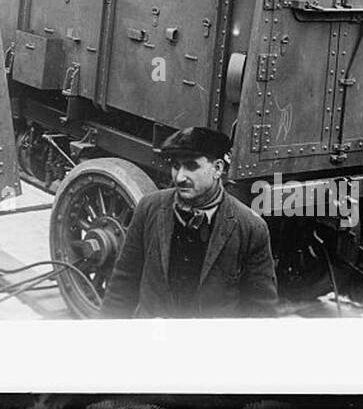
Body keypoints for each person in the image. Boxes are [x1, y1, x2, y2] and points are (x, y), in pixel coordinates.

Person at [100, 127, 278, 319]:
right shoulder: (149, 208)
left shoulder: (250, 227)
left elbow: (261, 312)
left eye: (191, 166)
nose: (179, 177)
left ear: (217, 169)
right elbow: (122, 285)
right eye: (176, 166)